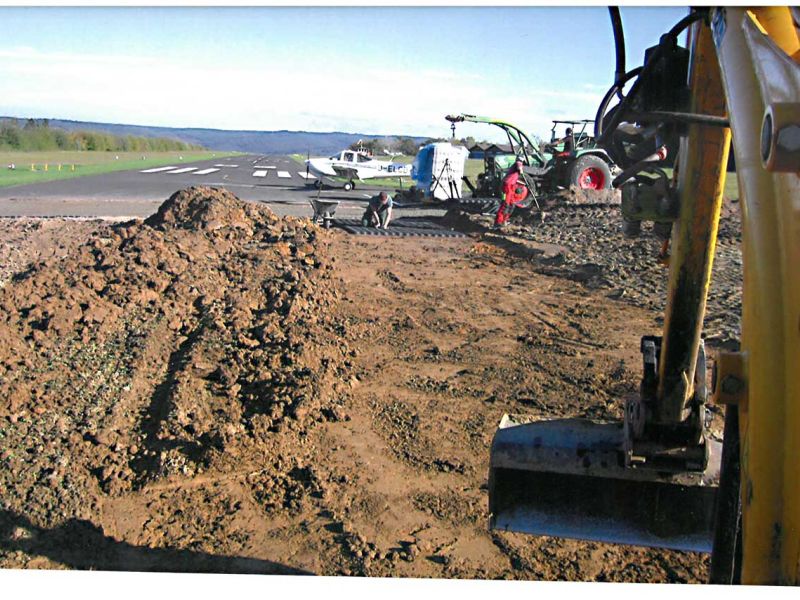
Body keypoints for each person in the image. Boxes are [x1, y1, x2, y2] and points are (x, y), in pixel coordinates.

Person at [494, 158, 527, 228]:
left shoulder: (513, 169)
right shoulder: (518, 163)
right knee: (505, 205)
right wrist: (521, 169)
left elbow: (514, 179)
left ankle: (504, 220)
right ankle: (498, 222)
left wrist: (524, 184)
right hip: (507, 186)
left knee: (512, 205)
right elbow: (519, 167)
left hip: (512, 186)